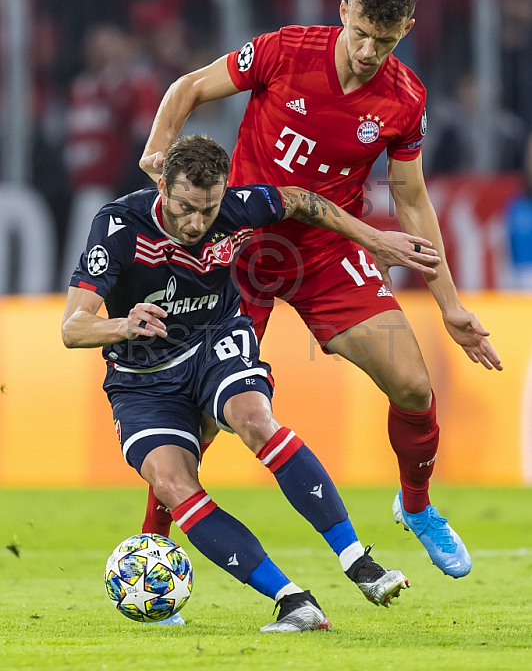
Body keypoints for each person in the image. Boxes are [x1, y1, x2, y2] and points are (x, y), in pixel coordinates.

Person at [140, 0, 504, 580]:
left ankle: (415, 507)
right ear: (343, 10)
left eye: (384, 40)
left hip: (329, 252)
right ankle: (152, 554)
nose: (367, 50)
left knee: (414, 386)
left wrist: (450, 304)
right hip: (240, 247)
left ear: (408, 29)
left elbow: (412, 199)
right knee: (199, 420)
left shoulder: (405, 99)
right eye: (360, 31)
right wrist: (158, 148)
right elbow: (189, 88)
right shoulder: (284, 51)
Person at [62, 134, 442, 631]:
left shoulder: (240, 206)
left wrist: (372, 239)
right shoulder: (117, 226)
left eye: (208, 208)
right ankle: (293, 601)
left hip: (214, 343)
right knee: (174, 483)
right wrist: (120, 325)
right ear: (161, 185)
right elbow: (73, 327)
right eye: (185, 208)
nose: (198, 223)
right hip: (142, 380)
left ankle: (359, 563)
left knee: (254, 420)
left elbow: (305, 202)